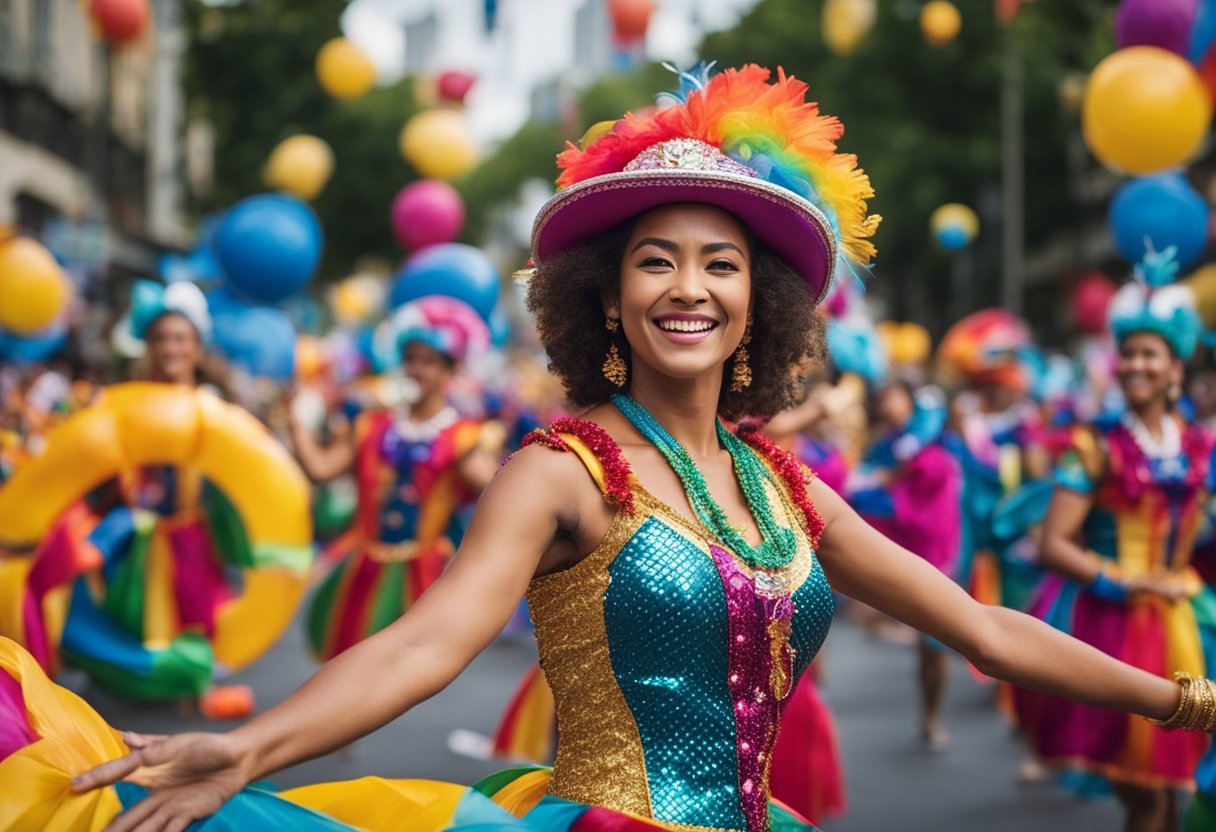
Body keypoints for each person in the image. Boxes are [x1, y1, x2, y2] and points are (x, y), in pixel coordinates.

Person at [5, 64, 1207, 832]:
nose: (688, 286)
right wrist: (251, 744)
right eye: (655, 259)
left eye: (720, 262)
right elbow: (426, 641)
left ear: (761, 306)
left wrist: (1190, 699)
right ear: (608, 297)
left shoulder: (786, 489)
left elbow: (989, 631)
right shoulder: (562, 468)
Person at [0, 280, 307, 718]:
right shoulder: (125, 400)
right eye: (161, 338)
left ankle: (183, 684)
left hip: (187, 533)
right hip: (133, 529)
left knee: (191, 617)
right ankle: (130, 682)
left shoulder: (214, 405)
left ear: (197, 346)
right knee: (123, 610)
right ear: (148, 345)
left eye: (180, 338)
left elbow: (252, 470)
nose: (170, 348)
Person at [1015, 249, 1216, 832]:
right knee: (1145, 797)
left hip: (1193, 619)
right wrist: (1128, 580)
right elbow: (1054, 544)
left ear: (1176, 368)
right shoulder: (1094, 446)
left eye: (1150, 354)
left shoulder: (1200, 447)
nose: (1135, 365)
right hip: (1118, 629)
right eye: (1127, 353)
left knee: (1180, 791)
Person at [287, 295, 501, 660]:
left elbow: (504, 494)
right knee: (351, 666)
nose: (416, 369)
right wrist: (297, 423)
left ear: (450, 372)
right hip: (365, 568)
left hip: (425, 576)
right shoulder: (372, 425)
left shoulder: (461, 438)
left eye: (429, 362)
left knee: (404, 672)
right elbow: (321, 469)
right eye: (411, 359)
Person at [847, 380, 961, 751]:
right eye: (882, 397)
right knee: (926, 640)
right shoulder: (885, 443)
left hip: (936, 544)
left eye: (892, 395)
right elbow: (859, 484)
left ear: (910, 399)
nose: (886, 403)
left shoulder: (936, 436)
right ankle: (928, 714)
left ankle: (932, 716)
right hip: (902, 544)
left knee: (934, 644)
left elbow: (954, 473)